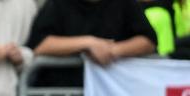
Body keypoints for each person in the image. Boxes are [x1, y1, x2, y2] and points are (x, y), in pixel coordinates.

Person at [25, 0, 157, 68]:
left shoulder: (124, 3)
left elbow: (149, 41)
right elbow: (39, 45)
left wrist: (113, 51)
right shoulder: (58, 3)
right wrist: (88, 43)